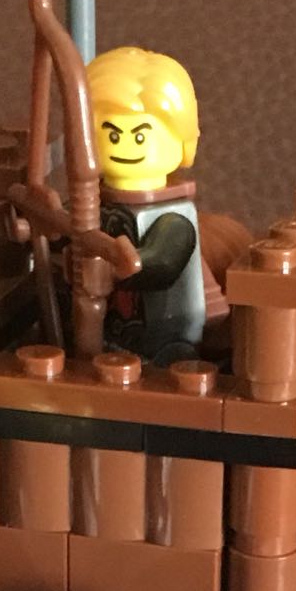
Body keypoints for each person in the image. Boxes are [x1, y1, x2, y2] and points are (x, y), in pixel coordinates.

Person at [87, 46, 206, 363]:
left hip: (166, 341)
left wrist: (111, 267)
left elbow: (162, 264)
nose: (125, 146)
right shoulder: (92, 202)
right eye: (113, 136)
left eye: (140, 136)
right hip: (107, 335)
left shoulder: (172, 216)